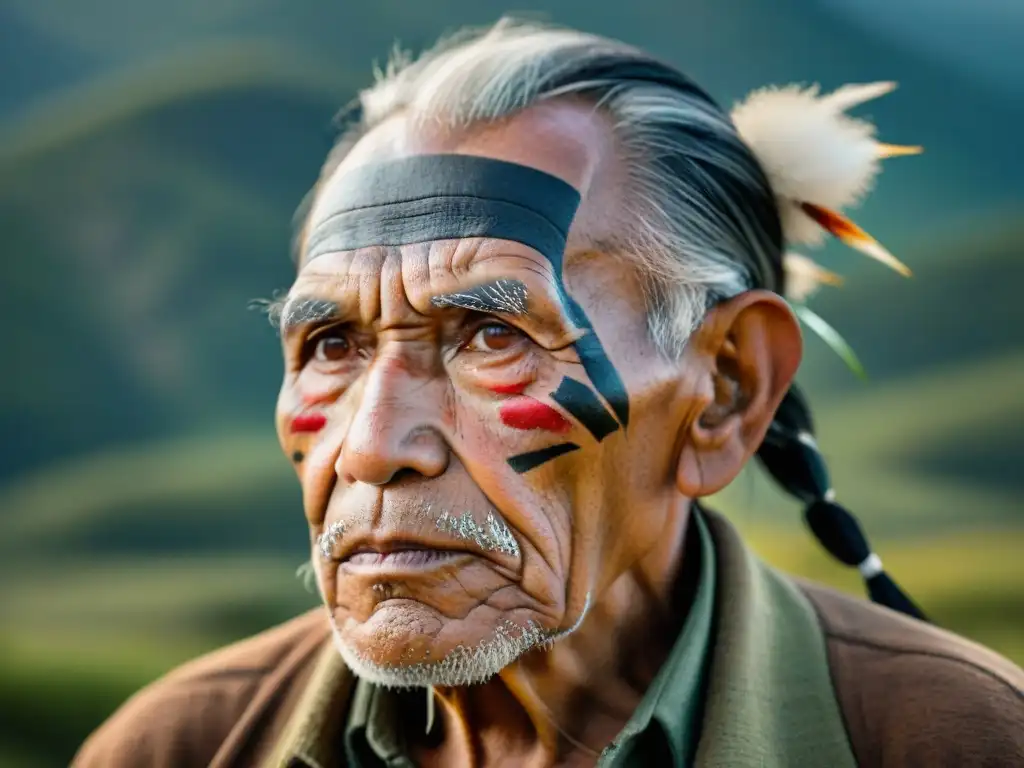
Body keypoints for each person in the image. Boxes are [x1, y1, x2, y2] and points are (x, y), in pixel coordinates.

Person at [74, 19, 1024, 768]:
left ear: (726, 389)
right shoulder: (173, 748)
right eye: (332, 343)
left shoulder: (958, 744)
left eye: (493, 335)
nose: (371, 447)